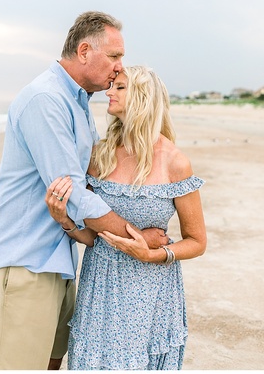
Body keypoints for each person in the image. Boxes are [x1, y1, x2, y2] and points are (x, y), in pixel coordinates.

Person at [0, 12, 169, 370]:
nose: (118, 68)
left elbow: (89, 183)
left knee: (52, 363)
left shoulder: (78, 103)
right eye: (114, 56)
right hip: (26, 262)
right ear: (84, 51)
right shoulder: (45, 99)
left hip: (60, 262)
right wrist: (138, 236)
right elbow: (74, 193)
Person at [44, 65, 207, 369]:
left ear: (143, 98)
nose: (109, 92)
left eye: (120, 87)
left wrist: (154, 255)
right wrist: (64, 220)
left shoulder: (175, 163)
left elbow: (197, 241)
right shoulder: (100, 156)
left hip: (152, 292)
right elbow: (93, 237)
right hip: (100, 288)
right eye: (112, 86)